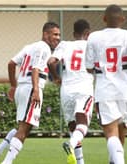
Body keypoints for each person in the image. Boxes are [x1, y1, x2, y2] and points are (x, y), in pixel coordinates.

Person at [0, 21, 61, 164]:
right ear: (45, 34)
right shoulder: (43, 47)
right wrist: (35, 90)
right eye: (55, 34)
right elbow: (35, 69)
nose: (58, 37)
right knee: (23, 130)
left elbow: (11, 63)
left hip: (22, 88)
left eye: (59, 35)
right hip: (31, 88)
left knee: (24, 127)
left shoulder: (30, 47)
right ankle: (6, 162)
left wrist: (13, 86)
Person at [85, 4, 127, 164]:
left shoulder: (94, 37)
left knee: (111, 134)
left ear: (104, 19)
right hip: (125, 91)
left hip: (105, 90)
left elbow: (88, 68)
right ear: (123, 19)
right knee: (121, 136)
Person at [47, 19, 93, 164]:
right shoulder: (91, 46)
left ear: (74, 33)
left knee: (73, 127)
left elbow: (50, 62)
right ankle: (71, 144)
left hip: (66, 90)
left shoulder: (64, 45)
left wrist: (56, 78)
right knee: (83, 124)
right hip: (84, 89)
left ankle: (80, 161)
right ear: (88, 33)